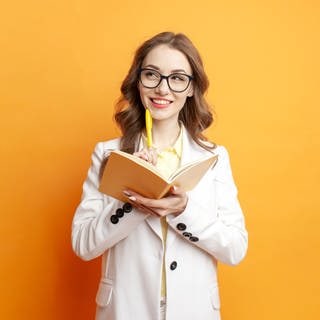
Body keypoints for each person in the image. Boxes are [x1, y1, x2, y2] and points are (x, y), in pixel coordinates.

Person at [71, 31, 248, 320]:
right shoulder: (108, 153)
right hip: (126, 310)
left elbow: (235, 248)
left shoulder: (214, 157)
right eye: (152, 74)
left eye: (177, 78)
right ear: (137, 81)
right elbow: (83, 245)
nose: (163, 89)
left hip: (195, 311)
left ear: (192, 88)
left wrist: (185, 210)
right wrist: (133, 198)